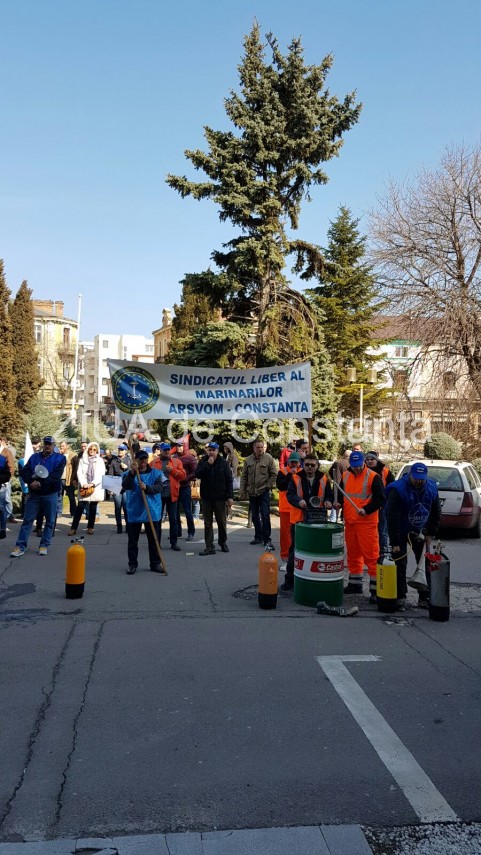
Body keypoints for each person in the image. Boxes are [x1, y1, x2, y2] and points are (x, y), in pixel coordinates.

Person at [385, 461, 442, 611]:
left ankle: (424, 596)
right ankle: (400, 597)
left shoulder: (431, 489)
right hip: (401, 530)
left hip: (420, 530)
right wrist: (395, 542)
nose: (419, 481)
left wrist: (431, 533)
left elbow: (436, 512)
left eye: (422, 478)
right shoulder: (397, 489)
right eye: (416, 478)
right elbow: (392, 517)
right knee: (400, 563)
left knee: (425, 564)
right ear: (410, 475)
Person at [337, 450, 385, 603]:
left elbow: (380, 499)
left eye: (359, 465)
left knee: (371, 556)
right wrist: (337, 503)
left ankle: (376, 590)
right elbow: (342, 495)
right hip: (350, 522)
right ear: (350, 464)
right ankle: (355, 584)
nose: (357, 468)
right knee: (353, 554)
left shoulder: (373, 477)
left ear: (363, 462)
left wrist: (367, 509)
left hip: (367, 523)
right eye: (354, 466)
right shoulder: (345, 476)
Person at [281, 453, 333, 591]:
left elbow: (329, 494)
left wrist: (328, 501)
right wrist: (300, 502)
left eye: (312, 465)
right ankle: (290, 580)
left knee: (316, 550)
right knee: (295, 550)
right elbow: (290, 495)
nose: (309, 467)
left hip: (318, 519)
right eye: (307, 464)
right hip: (299, 520)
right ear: (303, 465)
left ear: (317, 466)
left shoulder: (324, 478)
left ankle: (313, 577)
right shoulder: (295, 478)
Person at [10, 436, 66, 558]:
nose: (47, 446)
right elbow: (24, 471)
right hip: (35, 494)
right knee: (27, 521)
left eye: (50, 444)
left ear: (53, 445)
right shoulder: (35, 457)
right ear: (43, 445)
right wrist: (31, 482)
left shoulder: (60, 458)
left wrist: (40, 483)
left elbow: (55, 476)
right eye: (46, 444)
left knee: (50, 521)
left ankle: (44, 545)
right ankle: (20, 546)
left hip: (50, 494)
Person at [121, 449, 165, 574]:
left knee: (154, 540)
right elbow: (125, 486)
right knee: (133, 541)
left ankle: (155, 563)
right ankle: (132, 564)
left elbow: (160, 487)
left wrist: (147, 488)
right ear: (136, 460)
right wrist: (132, 473)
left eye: (145, 459)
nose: (144, 461)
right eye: (141, 459)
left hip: (152, 510)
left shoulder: (156, 473)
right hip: (135, 510)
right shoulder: (130, 474)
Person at [195, 442, 233, 555]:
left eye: (213, 450)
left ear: (217, 451)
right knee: (208, 523)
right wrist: (207, 464)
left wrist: (230, 496)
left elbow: (229, 480)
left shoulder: (223, 463)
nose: (211, 452)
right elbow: (198, 474)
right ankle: (209, 546)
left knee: (221, 522)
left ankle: (222, 542)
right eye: (209, 450)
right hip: (207, 497)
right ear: (207, 451)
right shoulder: (203, 461)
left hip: (220, 497)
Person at [239, 438, 278, 547]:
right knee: (255, 516)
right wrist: (242, 490)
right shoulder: (248, 460)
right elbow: (244, 476)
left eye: (262, 447)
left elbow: (274, 474)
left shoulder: (268, 458)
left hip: (263, 491)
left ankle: (267, 539)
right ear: (254, 448)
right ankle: (258, 537)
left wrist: (269, 486)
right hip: (252, 492)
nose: (260, 449)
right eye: (258, 447)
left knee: (265, 515)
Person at [150, 442, 185, 551]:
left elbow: (183, 476)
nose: (166, 451)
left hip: (172, 495)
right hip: (158, 495)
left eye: (168, 449)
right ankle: (157, 543)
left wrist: (173, 471)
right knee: (157, 519)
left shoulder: (176, 462)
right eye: (164, 450)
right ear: (160, 450)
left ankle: (174, 543)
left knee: (174, 520)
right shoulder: (154, 463)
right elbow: (149, 478)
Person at [69, 442, 105, 535]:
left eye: (94, 449)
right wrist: (84, 483)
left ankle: (90, 527)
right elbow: (79, 473)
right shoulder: (82, 460)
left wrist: (92, 483)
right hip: (84, 486)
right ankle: (73, 528)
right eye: (90, 449)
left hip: (95, 486)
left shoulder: (100, 460)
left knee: (93, 507)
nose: (92, 451)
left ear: (97, 450)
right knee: (80, 507)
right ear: (87, 449)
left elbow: (101, 474)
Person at [275, 451, 301, 572]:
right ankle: (285, 560)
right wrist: (290, 475)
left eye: (296, 462)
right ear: (288, 462)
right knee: (285, 536)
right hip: (286, 508)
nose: (294, 464)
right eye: (292, 462)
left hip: (298, 508)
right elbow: (281, 486)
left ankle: (297, 559)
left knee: (298, 535)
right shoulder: (282, 472)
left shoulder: (303, 473)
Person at [365, 450, 395, 554]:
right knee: (368, 530)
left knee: (382, 530)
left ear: (377, 460)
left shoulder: (385, 471)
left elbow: (392, 487)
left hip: (383, 504)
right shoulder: (362, 472)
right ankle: (369, 549)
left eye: (372, 459)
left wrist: (387, 501)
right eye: (367, 459)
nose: (369, 461)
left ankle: (383, 551)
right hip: (368, 504)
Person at [173, 439, 197, 541]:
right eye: (177, 446)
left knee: (187, 511)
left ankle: (191, 532)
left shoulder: (190, 458)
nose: (179, 448)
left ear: (185, 446)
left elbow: (195, 472)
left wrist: (185, 478)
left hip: (185, 487)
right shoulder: (174, 458)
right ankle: (178, 531)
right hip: (175, 487)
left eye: (180, 446)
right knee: (175, 511)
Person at [105, 449, 128, 533]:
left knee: (126, 507)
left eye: (122, 450)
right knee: (118, 507)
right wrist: (110, 488)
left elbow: (133, 473)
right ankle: (119, 526)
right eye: (119, 450)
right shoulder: (114, 460)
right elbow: (110, 473)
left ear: (126, 451)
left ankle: (128, 525)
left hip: (126, 486)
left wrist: (127, 468)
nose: (120, 451)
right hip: (116, 485)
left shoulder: (129, 459)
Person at [0, 438, 15, 539]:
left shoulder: (6, 452)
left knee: (1, 507)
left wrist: (5, 480)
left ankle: (2, 529)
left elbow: (10, 469)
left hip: (2, 484)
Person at [58, 441, 77, 517]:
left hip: (69, 479)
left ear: (67, 446)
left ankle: (73, 513)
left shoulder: (72, 455)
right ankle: (58, 513)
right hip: (60, 479)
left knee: (71, 497)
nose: (61, 447)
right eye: (60, 446)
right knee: (59, 496)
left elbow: (76, 468)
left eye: (63, 446)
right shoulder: (58, 455)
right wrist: (59, 455)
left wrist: (75, 478)